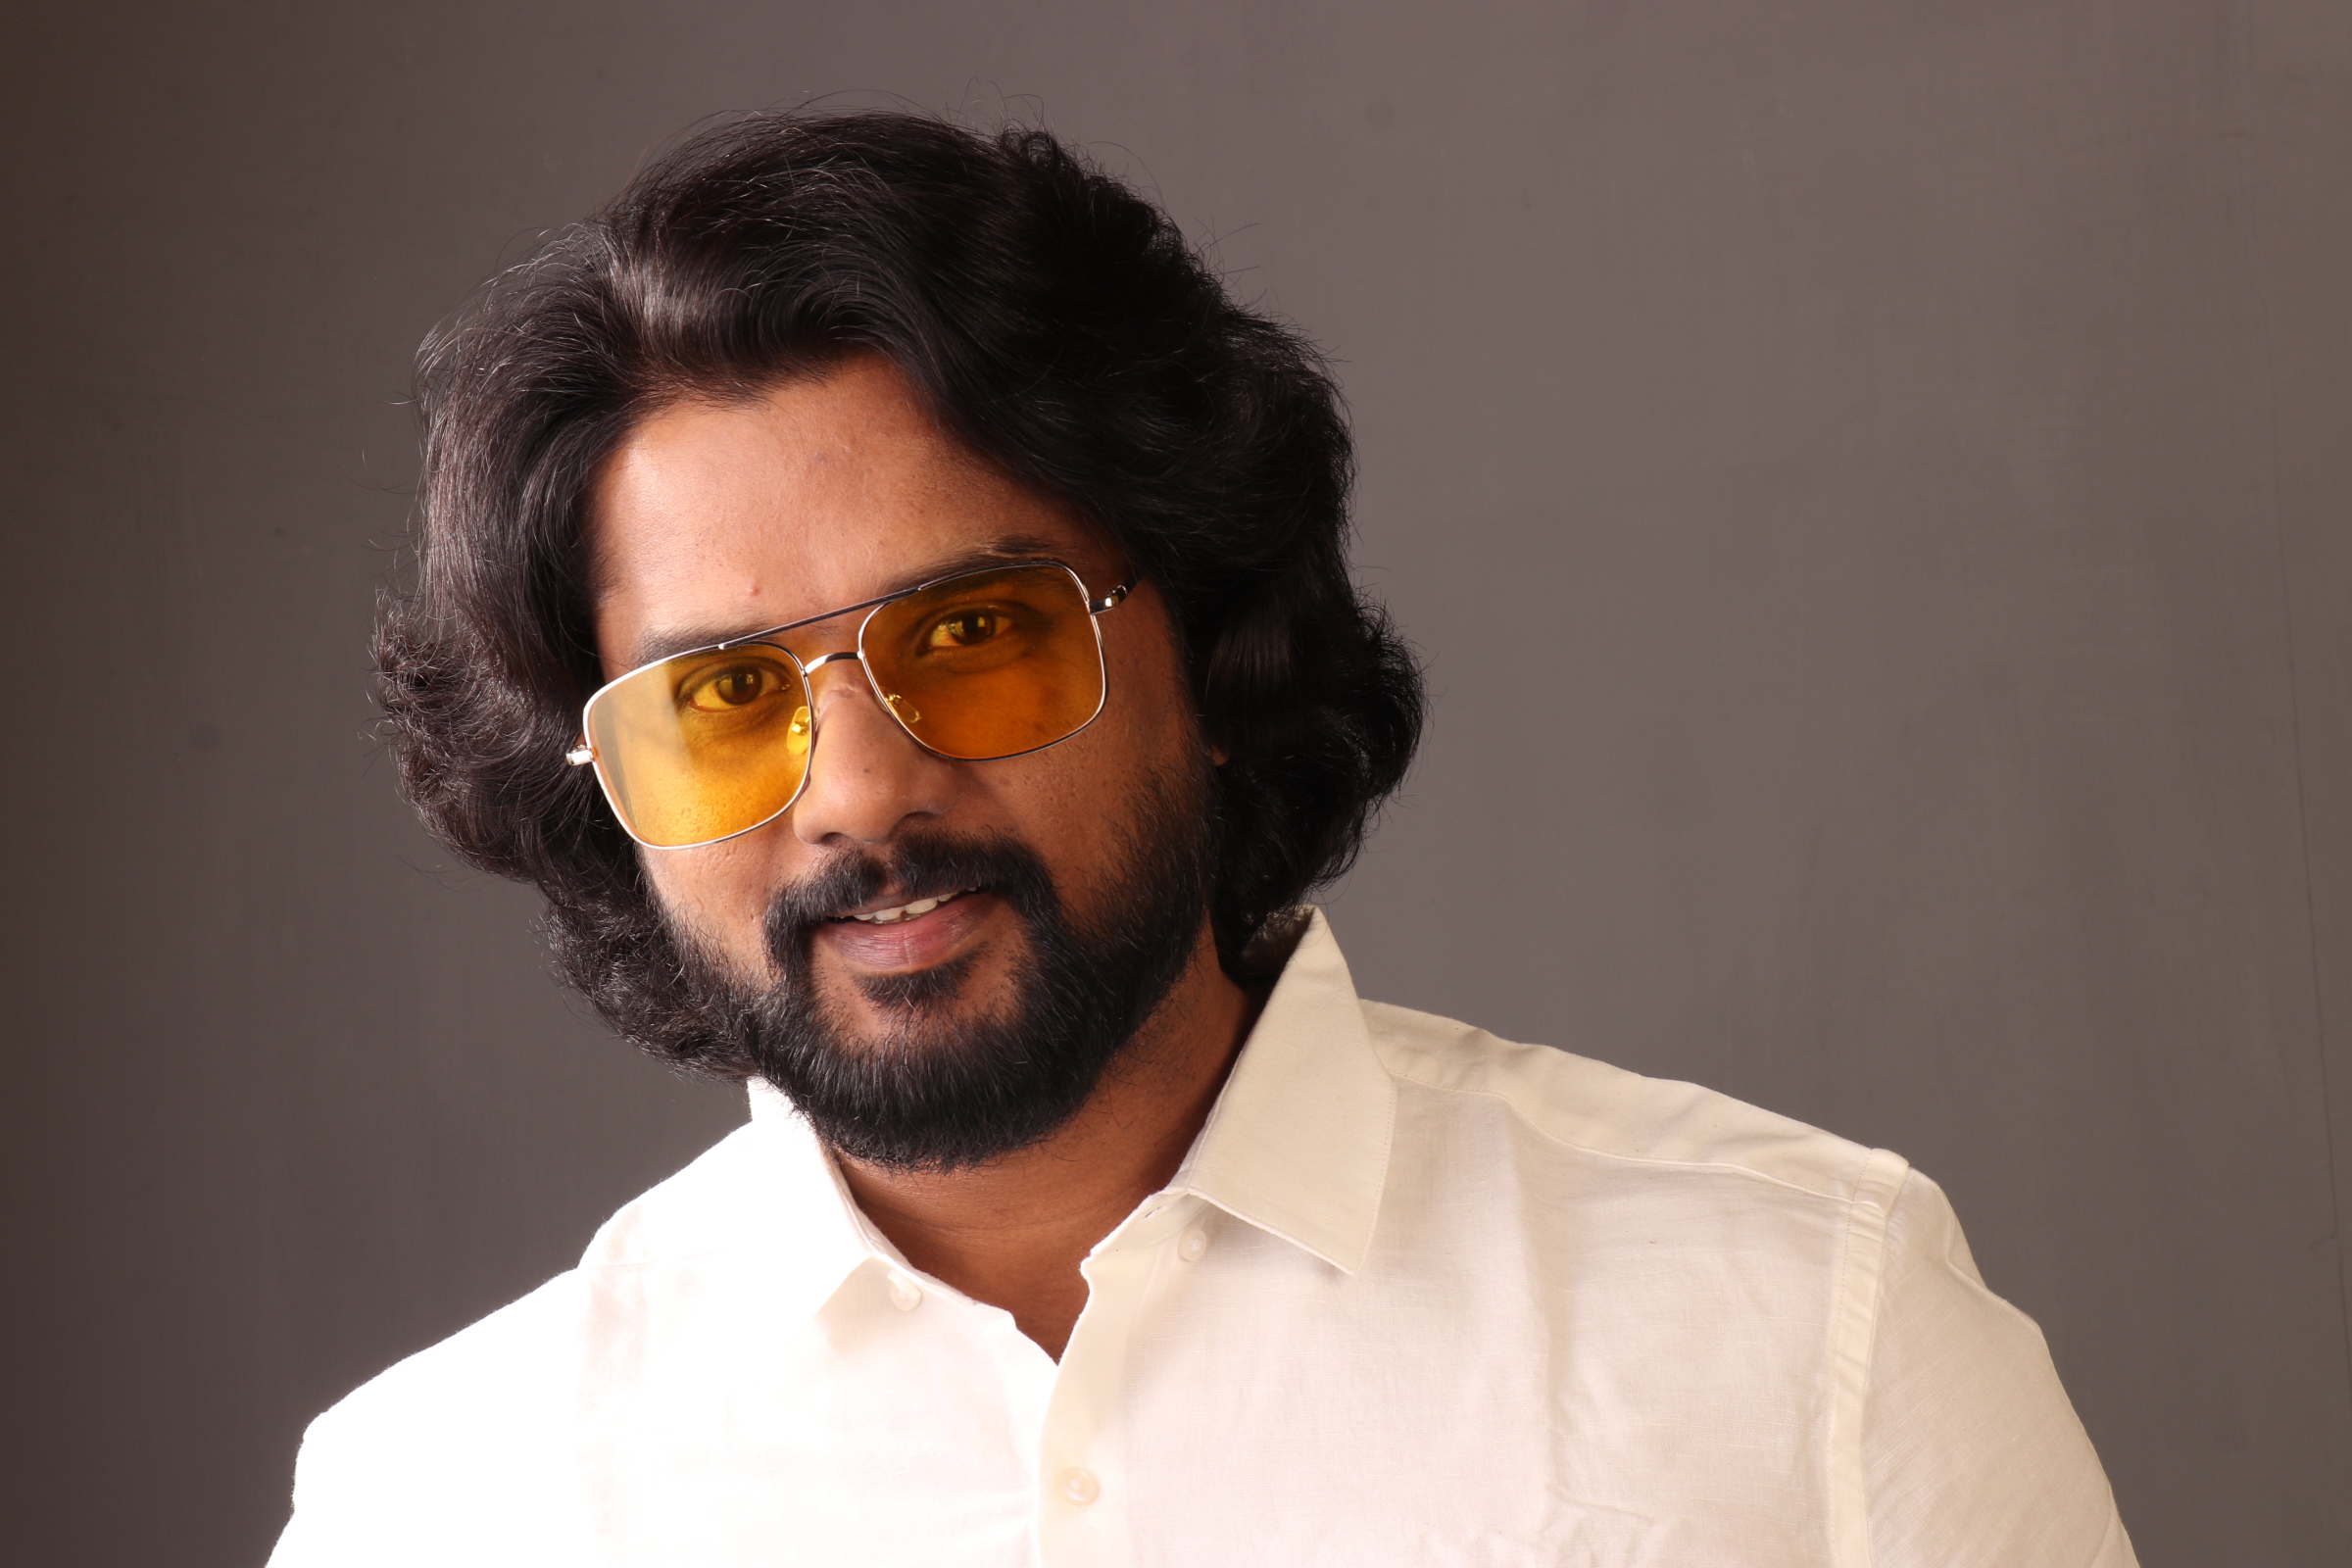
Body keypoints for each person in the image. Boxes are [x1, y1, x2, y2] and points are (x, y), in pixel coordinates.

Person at [269, 111, 2135, 1567]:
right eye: (726, 697)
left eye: (973, 633)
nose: (858, 792)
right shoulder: (440, 1506)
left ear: (1220, 652)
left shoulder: (1804, 1328)